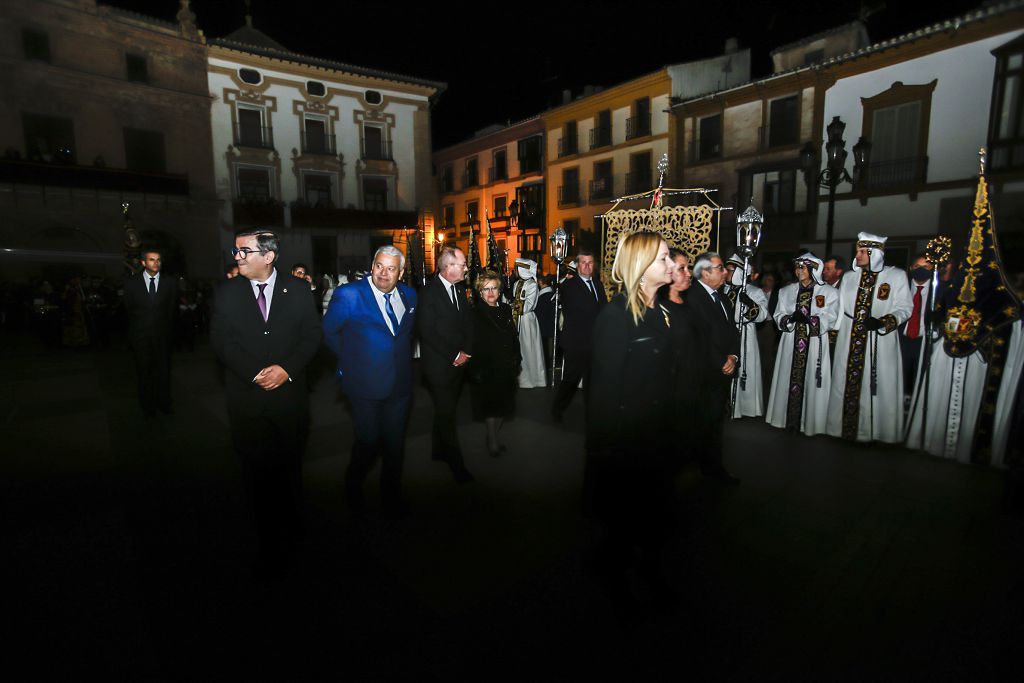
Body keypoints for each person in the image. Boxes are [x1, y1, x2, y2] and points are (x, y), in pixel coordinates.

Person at [210, 229, 322, 573]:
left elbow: (312, 335)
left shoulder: (299, 290)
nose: (237, 257)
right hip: (247, 400)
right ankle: (263, 538)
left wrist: (286, 369)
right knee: (255, 473)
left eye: (244, 251)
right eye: (236, 251)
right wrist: (255, 372)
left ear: (269, 256)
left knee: (290, 467)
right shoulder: (226, 293)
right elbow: (220, 340)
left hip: (289, 400)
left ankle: (293, 522)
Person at [586, 231, 675, 613]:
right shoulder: (614, 317)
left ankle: (651, 569)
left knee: (654, 515)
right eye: (664, 259)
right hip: (626, 444)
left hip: (655, 438)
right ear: (641, 266)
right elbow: (603, 395)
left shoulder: (662, 311)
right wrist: (605, 455)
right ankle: (619, 586)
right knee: (622, 523)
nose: (672, 265)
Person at [322, 246, 417, 518]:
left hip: (399, 385)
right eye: (379, 266)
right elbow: (329, 332)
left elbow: (403, 338)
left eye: (391, 268)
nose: (383, 273)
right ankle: (353, 485)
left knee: (395, 444)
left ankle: (392, 496)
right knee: (368, 441)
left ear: (401, 272)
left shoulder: (410, 296)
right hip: (363, 385)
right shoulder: (349, 295)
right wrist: (352, 361)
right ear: (372, 265)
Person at [826, 233, 913, 443]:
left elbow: (905, 308)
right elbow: (839, 308)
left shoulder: (896, 276)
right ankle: (842, 429)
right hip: (849, 338)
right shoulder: (849, 277)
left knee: (877, 384)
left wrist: (885, 321)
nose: (858, 255)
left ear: (876, 253)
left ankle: (875, 433)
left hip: (879, 341)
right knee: (844, 381)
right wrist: (834, 334)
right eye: (858, 251)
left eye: (863, 252)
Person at [417, 247, 475, 483]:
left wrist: (467, 352)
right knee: (447, 414)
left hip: (459, 364)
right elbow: (427, 331)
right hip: (439, 366)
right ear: (448, 267)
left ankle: (437, 450)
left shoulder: (460, 291)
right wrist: (454, 354)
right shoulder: (429, 293)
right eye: (462, 264)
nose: (466, 268)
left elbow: (468, 324)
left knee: (445, 409)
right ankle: (457, 466)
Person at [765, 253, 840, 435]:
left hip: (814, 343)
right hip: (790, 342)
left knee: (812, 383)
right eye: (797, 267)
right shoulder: (786, 291)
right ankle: (785, 419)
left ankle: (811, 423)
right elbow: (778, 315)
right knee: (787, 376)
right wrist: (789, 319)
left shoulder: (829, 292)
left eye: (803, 267)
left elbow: (831, 317)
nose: (798, 271)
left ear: (814, 270)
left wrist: (810, 320)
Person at [688, 252, 741, 483]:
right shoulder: (693, 297)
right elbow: (700, 337)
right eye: (720, 268)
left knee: (713, 422)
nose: (725, 272)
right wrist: (721, 360)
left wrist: (733, 355)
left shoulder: (722, 297)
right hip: (706, 372)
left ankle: (708, 464)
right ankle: (711, 469)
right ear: (705, 272)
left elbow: (732, 330)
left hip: (722, 367)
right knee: (706, 422)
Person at [659, 248, 707, 454]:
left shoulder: (690, 305)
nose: (689, 273)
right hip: (670, 389)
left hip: (692, 384)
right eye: (682, 268)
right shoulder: (659, 309)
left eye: (688, 268)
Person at [551, 249, 607, 422]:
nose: (587, 266)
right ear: (577, 265)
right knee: (571, 380)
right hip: (576, 342)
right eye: (583, 262)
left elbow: (603, 308)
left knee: (592, 380)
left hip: (594, 342)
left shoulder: (597, 284)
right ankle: (557, 409)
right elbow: (581, 309)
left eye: (590, 263)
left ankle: (593, 412)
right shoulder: (569, 286)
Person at [468, 272, 520, 457]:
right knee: (492, 406)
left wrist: (517, 358)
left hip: (506, 364)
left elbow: (513, 335)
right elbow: (471, 343)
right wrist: (475, 369)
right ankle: (492, 440)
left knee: (505, 405)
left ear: (499, 291)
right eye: (486, 288)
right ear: (480, 292)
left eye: (494, 288)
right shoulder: (474, 314)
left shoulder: (506, 309)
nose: (490, 292)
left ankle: (493, 436)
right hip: (487, 366)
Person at [124, 248, 178, 416]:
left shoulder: (170, 282)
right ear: (143, 263)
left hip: (163, 337)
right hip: (140, 338)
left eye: (159, 260)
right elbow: (128, 310)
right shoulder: (132, 283)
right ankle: (147, 407)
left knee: (164, 372)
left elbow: (172, 311)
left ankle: (165, 403)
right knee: (144, 373)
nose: (156, 263)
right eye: (152, 259)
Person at [723, 253, 769, 418]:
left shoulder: (754, 291)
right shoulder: (724, 289)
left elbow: (763, 314)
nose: (725, 273)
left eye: (729, 270)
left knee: (744, 370)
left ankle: (744, 408)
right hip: (726, 334)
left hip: (745, 335)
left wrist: (750, 303)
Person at [899, 253, 934, 399]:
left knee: (921, 375)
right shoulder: (901, 287)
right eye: (917, 266)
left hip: (924, 340)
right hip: (902, 338)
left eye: (926, 267)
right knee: (900, 373)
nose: (922, 270)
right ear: (911, 268)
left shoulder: (937, 291)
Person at [512, 258, 546, 388]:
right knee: (519, 348)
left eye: (517, 268)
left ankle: (532, 379)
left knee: (528, 348)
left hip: (527, 320)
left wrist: (513, 305)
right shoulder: (517, 284)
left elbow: (528, 305)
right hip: (517, 319)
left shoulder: (532, 285)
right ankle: (520, 378)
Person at [535, 274, 556, 384]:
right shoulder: (551, 295)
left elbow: (540, 314)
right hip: (549, 327)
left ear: (542, 283)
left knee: (545, 351)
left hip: (544, 328)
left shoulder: (544, 297)